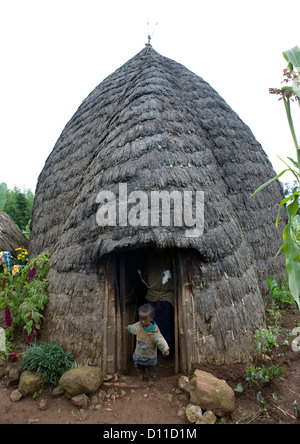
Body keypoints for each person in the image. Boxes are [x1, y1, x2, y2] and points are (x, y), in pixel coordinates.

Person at [125, 304, 169, 384]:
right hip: (139, 354)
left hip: (150, 357)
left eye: (145, 319)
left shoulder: (154, 331)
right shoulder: (138, 326)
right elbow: (132, 328)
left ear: (151, 318)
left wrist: (165, 349)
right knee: (138, 366)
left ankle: (151, 378)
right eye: (140, 319)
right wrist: (127, 328)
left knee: (151, 369)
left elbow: (160, 340)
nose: (142, 321)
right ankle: (141, 374)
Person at [142, 248, 174, 353]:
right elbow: (146, 275)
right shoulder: (150, 259)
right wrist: (144, 278)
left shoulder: (170, 258)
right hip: (152, 295)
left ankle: (166, 349)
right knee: (150, 323)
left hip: (166, 296)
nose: (159, 249)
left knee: (166, 323)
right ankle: (152, 348)